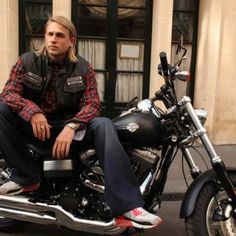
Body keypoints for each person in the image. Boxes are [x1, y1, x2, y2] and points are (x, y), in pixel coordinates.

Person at [0, 16, 162, 228]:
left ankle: (127, 205)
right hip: (35, 128)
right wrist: (32, 112)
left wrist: (72, 125)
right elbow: (9, 94)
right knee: (1, 109)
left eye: (60, 35)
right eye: (50, 34)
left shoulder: (83, 68)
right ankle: (28, 175)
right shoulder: (27, 61)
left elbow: (93, 105)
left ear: (71, 41)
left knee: (103, 123)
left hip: (69, 131)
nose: (53, 40)